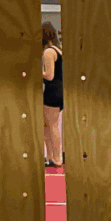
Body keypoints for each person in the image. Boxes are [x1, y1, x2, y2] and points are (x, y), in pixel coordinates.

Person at [41, 20, 63, 168]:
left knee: (52, 126)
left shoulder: (48, 52)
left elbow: (49, 76)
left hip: (52, 91)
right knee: (47, 125)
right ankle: (50, 157)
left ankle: (56, 158)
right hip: (59, 91)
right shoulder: (59, 50)